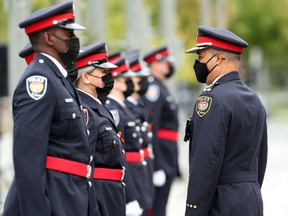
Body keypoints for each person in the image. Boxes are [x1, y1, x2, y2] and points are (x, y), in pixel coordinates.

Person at [2, 2, 93, 216]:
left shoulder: (57, 78)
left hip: (67, 194)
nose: (74, 39)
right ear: (49, 38)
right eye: (68, 33)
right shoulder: (39, 81)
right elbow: (27, 158)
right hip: (53, 198)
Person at [184, 25, 268, 216]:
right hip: (250, 200)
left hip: (221, 203)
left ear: (219, 58)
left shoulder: (212, 100)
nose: (198, 64)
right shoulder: (254, 99)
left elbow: (205, 162)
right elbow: (261, 157)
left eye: (201, 57)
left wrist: (194, 210)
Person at [74, 42, 126, 216]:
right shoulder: (85, 109)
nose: (108, 76)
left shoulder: (97, 107)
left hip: (111, 194)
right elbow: (85, 162)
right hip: (99, 196)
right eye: (103, 72)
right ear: (86, 77)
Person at [142, 46, 180, 216]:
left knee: (161, 206)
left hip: (167, 155)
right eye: (164, 63)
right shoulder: (153, 88)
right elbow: (152, 127)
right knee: (156, 208)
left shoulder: (160, 87)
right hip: (161, 158)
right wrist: (156, 166)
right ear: (154, 65)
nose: (167, 67)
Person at [105, 55, 144, 216]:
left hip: (137, 175)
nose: (129, 83)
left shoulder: (123, 108)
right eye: (125, 79)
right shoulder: (114, 111)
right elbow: (120, 154)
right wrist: (130, 196)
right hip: (130, 178)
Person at [125, 50, 155, 216]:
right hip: (133, 176)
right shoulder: (120, 109)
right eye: (139, 79)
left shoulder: (139, 105)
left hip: (143, 170)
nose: (143, 83)